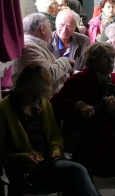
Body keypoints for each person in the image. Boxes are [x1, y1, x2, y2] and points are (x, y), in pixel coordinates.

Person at [50, 42, 115, 196]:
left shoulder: (113, 78)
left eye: (112, 57)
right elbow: (55, 104)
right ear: (92, 61)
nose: (111, 61)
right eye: (105, 58)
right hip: (91, 139)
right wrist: (78, 105)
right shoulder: (78, 80)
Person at [0, 65, 98, 196]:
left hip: (46, 164)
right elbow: (2, 151)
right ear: (24, 88)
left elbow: (55, 135)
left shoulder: (43, 104)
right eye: (33, 94)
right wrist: (23, 157)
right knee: (77, 172)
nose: (36, 98)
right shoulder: (4, 110)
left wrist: (55, 150)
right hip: (24, 172)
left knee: (77, 174)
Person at [12, 13, 74, 93]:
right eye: (49, 28)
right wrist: (66, 62)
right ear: (43, 29)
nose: (51, 32)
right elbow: (46, 75)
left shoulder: (33, 45)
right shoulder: (29, 48)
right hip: (33, 102)